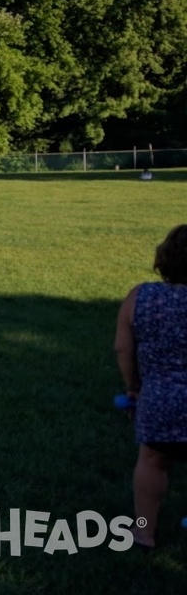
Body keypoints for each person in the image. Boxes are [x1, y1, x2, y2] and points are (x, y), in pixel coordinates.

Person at [115, 224, 187, 548]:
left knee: (152, 462)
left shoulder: (139, 296)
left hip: (159, 399)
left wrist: (134, 388)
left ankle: (143, 532)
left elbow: (123, 350)